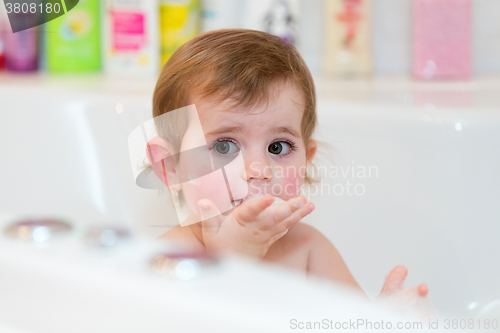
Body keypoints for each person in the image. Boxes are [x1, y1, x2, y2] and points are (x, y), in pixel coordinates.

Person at [146, 29, 428, 303]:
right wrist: (233, 264)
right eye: (224, 146)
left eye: (277, 147)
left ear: (306, 160)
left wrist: (383, 320)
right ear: (169, 166)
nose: (259, 169)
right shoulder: (166, 259)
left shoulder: (309, 251)